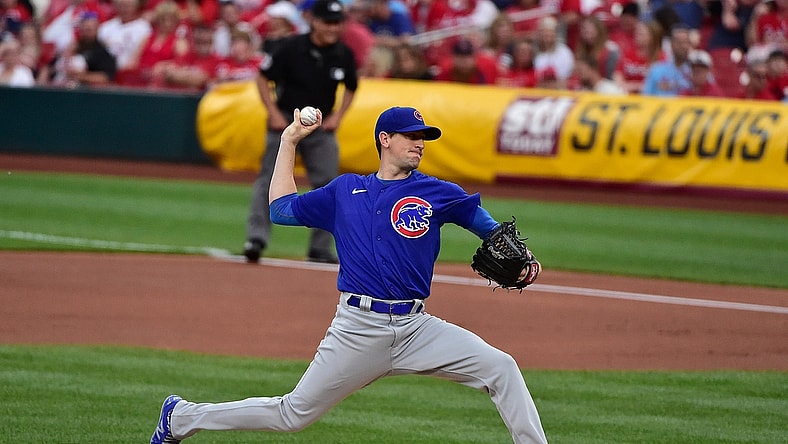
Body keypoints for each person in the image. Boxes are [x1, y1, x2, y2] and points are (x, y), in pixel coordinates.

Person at [149, 105, 549, 444]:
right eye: (411, 136)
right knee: (293, 415)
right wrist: (289, 142)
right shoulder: (345, 191)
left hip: (418, 328)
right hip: (358, 329)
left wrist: (522, 251)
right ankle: (181, 417)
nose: (420, 143)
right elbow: (281, 209)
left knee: (502, 368)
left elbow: (485, 224)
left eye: (423, 137)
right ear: (385, 139)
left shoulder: (436, 191)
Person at [243, 0, 358, 264]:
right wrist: (272, 113)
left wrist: (338, 116)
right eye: (328, 22)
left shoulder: (343, 54)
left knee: (330, 185)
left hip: (321, 127)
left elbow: (352, 86)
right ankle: (256, 239)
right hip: (285, 123)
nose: (333, 28)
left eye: (337, 22)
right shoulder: (290, 47)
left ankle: (320, 248)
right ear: (313, 21)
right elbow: (262, 77)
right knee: (269, 180)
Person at [641, 24, 693, 96]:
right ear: (671, 44)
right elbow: (646, 95)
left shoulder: (696, 71)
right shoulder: (657, 70)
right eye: (679, 42)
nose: (683, 46)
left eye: (686, 42)